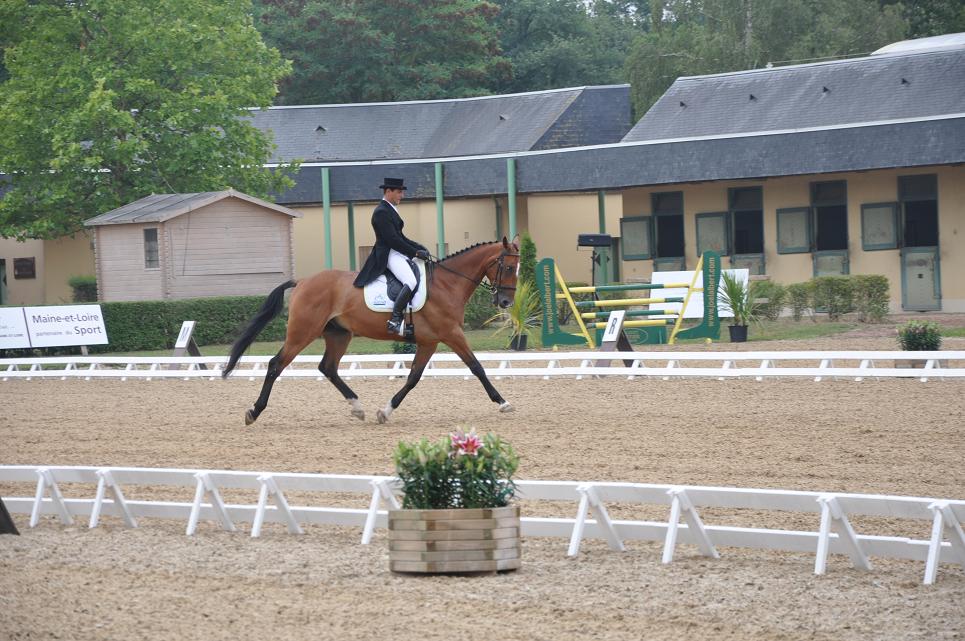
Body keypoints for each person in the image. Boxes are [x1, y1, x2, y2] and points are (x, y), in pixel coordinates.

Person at [353, 177, 431, 334]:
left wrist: (419, 248)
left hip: (397, 251)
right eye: (399, 192)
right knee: (410, 280)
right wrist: (414, 252)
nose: (401, 195)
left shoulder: (390, 209)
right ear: (388, 191)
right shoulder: (381, 212)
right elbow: (393, 240)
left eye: (402, 192)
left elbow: (401, 237)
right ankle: (395, 320)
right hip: (388, 254)